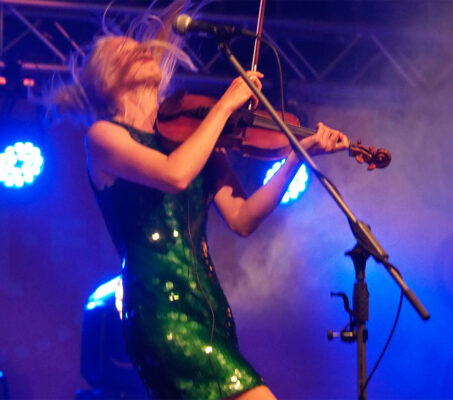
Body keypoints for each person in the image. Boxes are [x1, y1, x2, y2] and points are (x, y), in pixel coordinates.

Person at [49, 5, 348, 399]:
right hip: (161, 313)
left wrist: (296, 156)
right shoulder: (104, 137)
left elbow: (242, 218)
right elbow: (174, 175)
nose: (142, 49)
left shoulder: (193, 136)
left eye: (139, 46)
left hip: (211, 311)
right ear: (105, 81)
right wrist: (224, 106)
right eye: (124, 52)